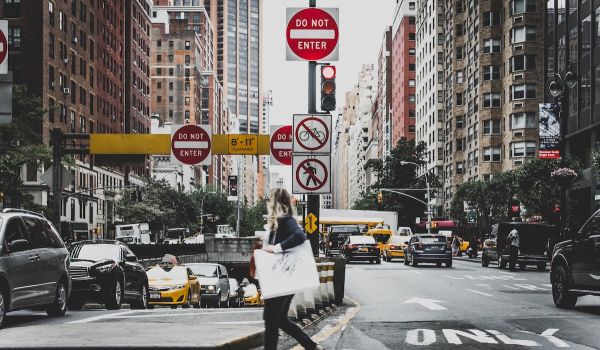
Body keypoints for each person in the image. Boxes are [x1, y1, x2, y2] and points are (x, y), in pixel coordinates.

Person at [261, 188, 323, 350]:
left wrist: (275, 249)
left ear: (274, 202)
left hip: (282, 278)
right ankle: (311, 346)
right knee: (279, 319)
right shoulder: (279, 223)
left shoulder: (285, 220)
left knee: (271, 319)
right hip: (283, 278)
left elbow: (300, 236)